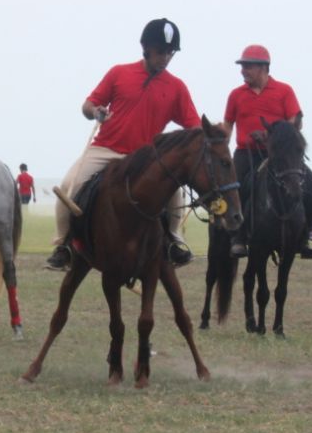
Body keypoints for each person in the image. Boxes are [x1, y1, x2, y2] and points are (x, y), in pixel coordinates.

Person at [46, 18, 199, 271]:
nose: (165, 58)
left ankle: (174, 241)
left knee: (174, 189)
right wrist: (96, 112)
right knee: (67, 188)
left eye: (170, 53)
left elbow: (193, 128)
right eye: (161, 52)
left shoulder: (177, 88)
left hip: (146, 159)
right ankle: (63, 246)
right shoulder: (119, 73)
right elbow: (87, 106)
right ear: (145, 48)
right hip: (105, 149)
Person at [221, 44, 312, 259]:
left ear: (263, 67)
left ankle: (304, 237)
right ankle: (238, 237)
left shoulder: (284, 91)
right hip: (245, 153)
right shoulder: (236, 95)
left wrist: (269, 136)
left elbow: (295, 122)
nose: (243, 70)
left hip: (279, 155)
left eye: (248, 66)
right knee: (235, 188)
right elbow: (228, 124)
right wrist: (219, 146)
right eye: (242, 66)